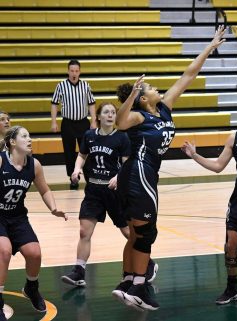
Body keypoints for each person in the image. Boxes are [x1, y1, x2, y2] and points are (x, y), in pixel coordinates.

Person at [111, 26, 225, 311]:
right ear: (143, 98)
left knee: (138, 233)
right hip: (138, 173)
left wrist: (210, 47)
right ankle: (139, 287)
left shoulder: (163, 108)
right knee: (147, 233)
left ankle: (127, 281)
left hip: (141, 174)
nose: (156, 88)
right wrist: (132, 93)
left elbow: (188, 76)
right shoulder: (137, 115)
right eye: (149, 89)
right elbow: (119, 124)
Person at [60, 102, 157, 288]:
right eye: (106, 112)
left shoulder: (122, 138)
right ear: (98, 117)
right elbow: (82, 155)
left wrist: (118, 177)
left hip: (114, 192)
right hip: (94, 191)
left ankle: (148, 263)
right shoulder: (89, 136)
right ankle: (79, 272)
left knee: (129, 232)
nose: (111, 115)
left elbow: (127, 163)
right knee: (84, 231)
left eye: (113, 112)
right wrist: (76, 169)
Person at [181, 100, 237, 305]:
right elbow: (218, 166)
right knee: (231, 244)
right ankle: (232, 287)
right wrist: (194, 155)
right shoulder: (233, 138)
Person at [0, 126, 67, 321]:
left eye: (30, 135)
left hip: (18, 217)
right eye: (24, 136)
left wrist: (54, 208)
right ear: (12, 142)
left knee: (34, 253)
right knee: (3, 251)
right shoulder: (2, 161)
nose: (30, 139)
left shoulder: (34, 165)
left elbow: (44, 189)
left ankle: (31, 287)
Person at [51, 59, 96, 190]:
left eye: (76, 71)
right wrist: (53, 122)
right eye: (72, 71)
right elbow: (54, 104)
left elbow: (91, 103)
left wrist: (93, 121)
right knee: (69, 152)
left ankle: (90, 178)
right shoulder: (61, 85)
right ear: (68, 71)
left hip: (83, 122)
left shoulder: (86, 85)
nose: (74, 73)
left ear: (80, 72)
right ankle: (73, 178)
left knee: (87, 151)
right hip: (68, 123)